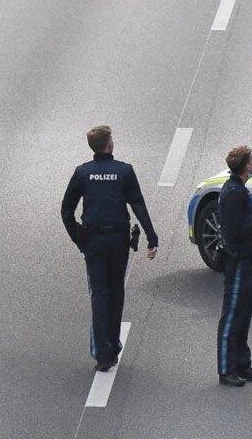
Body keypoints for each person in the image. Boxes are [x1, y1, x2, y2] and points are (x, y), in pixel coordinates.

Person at [61, 125, 158, 372]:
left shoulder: (82, 173)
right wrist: (151, 235)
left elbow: (66, 210)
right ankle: (113, 346)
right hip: (118, 241)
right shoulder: (124, 171)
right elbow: (138, 204)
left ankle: (102, 354)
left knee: (99, 294)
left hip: (93, 240)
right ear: (110, 145)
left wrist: (78, 238)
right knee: (116, 293)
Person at [217, 145, 252, 387]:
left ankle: (243, 364)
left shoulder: (239, 190)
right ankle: (226, 368)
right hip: (238, 261)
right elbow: (234, 230)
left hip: (247, 261)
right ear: (246, 165)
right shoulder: (233, 193)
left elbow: (241, 221)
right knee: (232, 316)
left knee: (244, 315)